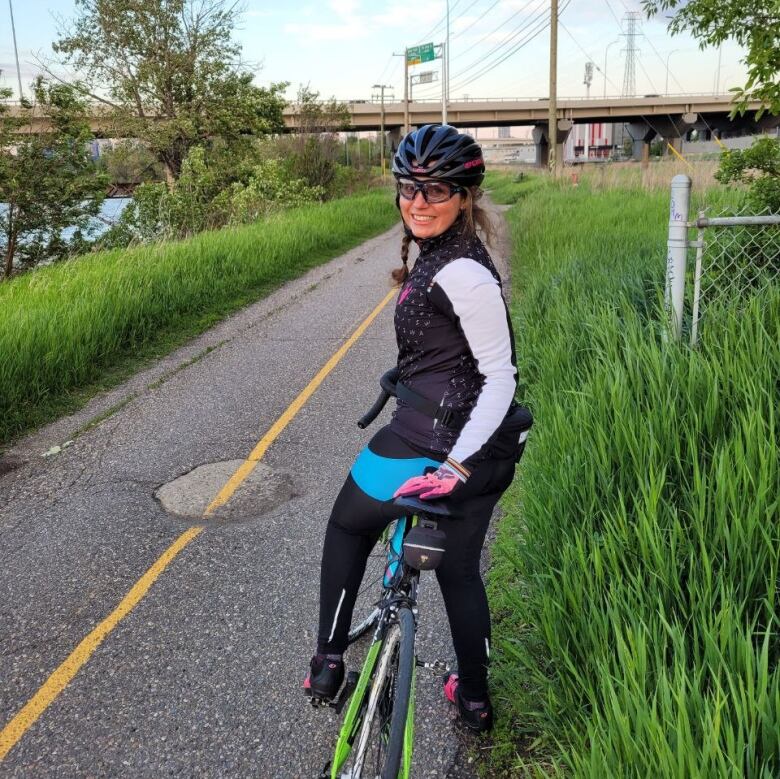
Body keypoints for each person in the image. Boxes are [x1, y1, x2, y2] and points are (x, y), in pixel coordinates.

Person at [304, 124, 522, 733]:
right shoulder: (454, 259)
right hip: (488, 450)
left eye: (436, 190)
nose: (418, 202)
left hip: (434, 445)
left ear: (464, 197)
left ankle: (327, 660)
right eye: (409, 187)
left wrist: (453, 466)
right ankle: (474, 700)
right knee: (457, 571)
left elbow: (500, 377)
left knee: (348, 524)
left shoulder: (463, 274)